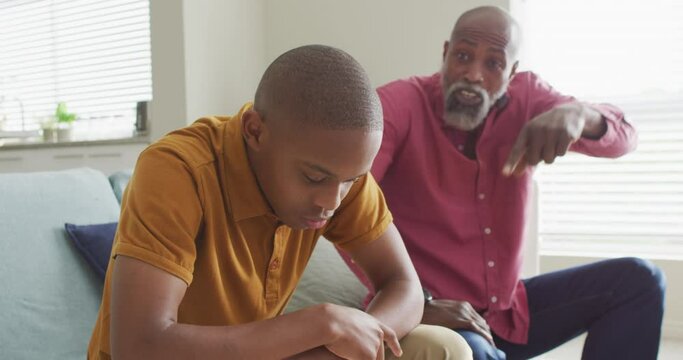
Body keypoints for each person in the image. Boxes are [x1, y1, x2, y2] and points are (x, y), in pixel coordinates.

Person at [87, 45, 472, 359]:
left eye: (351, 182)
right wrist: (318, 324)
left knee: (443, 348)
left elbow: (403, 284)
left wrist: (349, 343)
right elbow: (139, 346)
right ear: (255, 131)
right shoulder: (178, 170)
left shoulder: (338, 170)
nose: (331, 202)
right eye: (314, 178)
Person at [361, 6, 666, 360]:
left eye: (493, 63)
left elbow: (625, 137)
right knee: (472, 354)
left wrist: (579, 114)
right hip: (435, 315)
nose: (473, 75)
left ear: (512, 73)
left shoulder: (529, 98)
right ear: (445, 54)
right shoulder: (401, 104)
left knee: (639, 281)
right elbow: (348, 199)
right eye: (462, 56)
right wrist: (416, 300)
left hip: (508, 314)